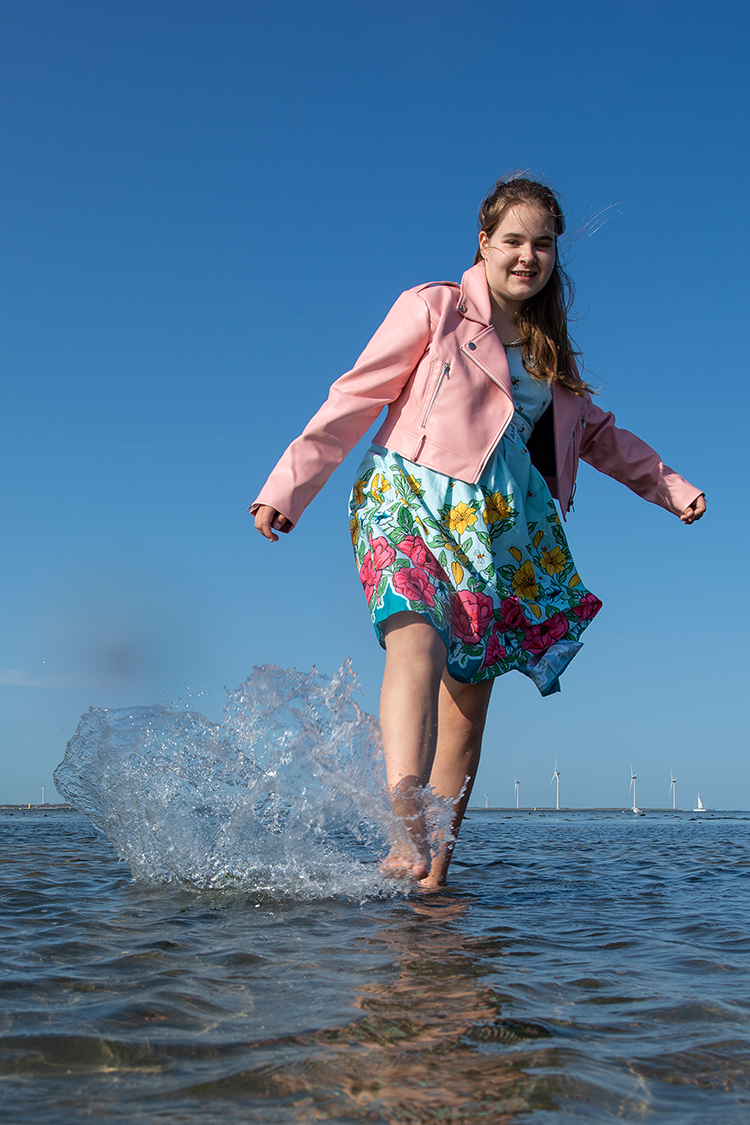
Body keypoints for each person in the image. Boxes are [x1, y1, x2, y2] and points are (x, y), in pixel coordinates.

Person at [252, 175, 705, 888]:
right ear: (484, 243)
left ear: (555, 254)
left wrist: (670, 487)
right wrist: (290, 484)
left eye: (543, 244)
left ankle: (432, 878)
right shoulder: (436, 308)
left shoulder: (549, 353)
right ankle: (405, 810)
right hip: (407, 490)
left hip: (497, 525)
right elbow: (357, 392)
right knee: (416, 633)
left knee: (469, 695)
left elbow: (599, 436)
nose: (528, 255)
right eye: (514, 241)